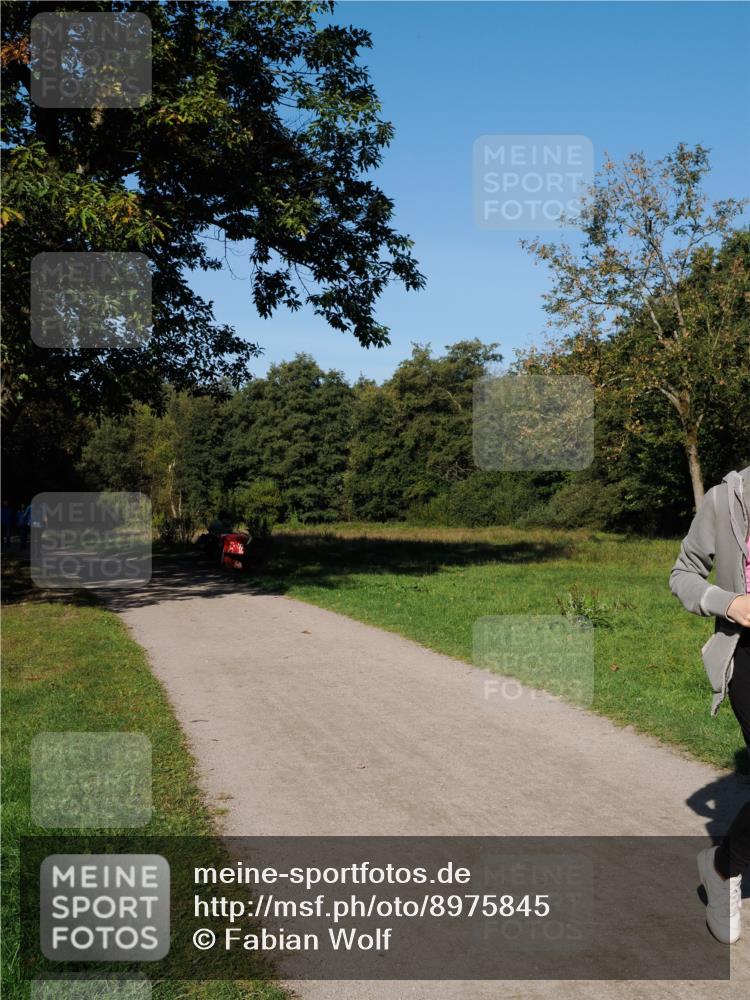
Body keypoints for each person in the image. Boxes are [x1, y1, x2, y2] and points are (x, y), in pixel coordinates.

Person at [670, 465, 750, 944]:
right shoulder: (725, 500)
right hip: (747, 656)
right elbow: (682, 575)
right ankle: (722, 870)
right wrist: (728, 603)